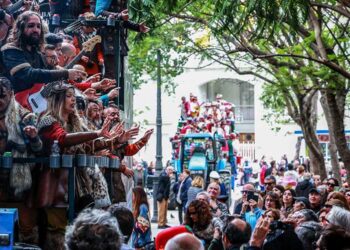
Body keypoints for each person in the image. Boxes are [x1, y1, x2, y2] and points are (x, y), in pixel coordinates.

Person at [1, 11, 85, 99]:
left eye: (38, 26)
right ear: (21, 28)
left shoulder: (37, 52)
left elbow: (52, 69)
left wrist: (76, 74)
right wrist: (65, 73)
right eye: (31, 25)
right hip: (9, 103)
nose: (35, 29)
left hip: (30, 103)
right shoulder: (10, 50)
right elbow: (28, 74)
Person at [0, 77, 42, 244]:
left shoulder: (25, 117)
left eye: (2, 96)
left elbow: (38, 150)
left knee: (26, 230)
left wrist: (33, 137)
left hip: (19, 187)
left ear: (11, 94)